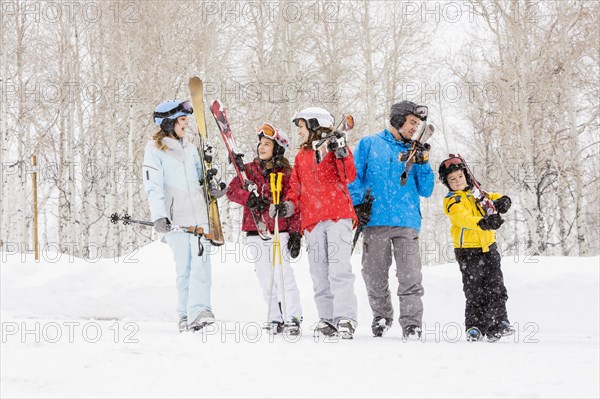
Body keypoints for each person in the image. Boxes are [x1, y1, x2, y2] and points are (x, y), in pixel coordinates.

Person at [348, 101, 434, 338]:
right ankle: (382, 316)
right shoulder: (369, 143)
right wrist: (357, 203)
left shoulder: (416, 151)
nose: (414, 128)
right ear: (398, 120)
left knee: (410, 276)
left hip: (406, 222)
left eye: (417, 125)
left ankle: (412, 324)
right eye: (412, 123)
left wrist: (424, 163)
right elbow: (353, 177)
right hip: (375, 221)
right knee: (374, 275)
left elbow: (426, 190)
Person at [275, 107, 359, 339]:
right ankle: (327, 319)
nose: (299, 132)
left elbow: (349, 176)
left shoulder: (334, 148)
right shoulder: (302, 156)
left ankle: (346, 317)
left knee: (339, 268)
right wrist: (290, 206)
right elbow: (295, 188)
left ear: (314, 125)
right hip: (312, 220)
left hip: (337, 215)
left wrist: (341, 152)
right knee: (319, 272)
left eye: (301, 127)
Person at [143, 99, 225, 332]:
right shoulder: (155, 150)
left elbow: (201, 178)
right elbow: (153, 186)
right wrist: (159, 216)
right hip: (175, 219)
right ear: (168, 123)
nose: (186, 124)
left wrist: (213, 188)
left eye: (186, 119)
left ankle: (200, 310)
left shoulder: (190, 148)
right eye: (182, 120)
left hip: (199, 215)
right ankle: (185, 314)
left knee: (202, 265)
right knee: (185, 268)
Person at [226, 123, 303, 335]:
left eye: (267, 144)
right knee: (264, 276)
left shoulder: (287, 173)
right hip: (255, 230)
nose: (261, 147)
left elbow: (296, 203)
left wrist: (297, 233)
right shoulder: (249, 170)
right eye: (260, 143)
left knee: (283, 273)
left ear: (277, 148)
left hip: (281, 231)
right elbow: (231, 190)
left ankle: (293, 315)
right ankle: (274, 316)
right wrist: (249, 199)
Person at [438, 154, 515, 342]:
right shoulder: (452, 201)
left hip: (488, 248)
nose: (457, 181)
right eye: (452, 179)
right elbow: (462, 218)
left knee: (496, 286)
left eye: (460, 177)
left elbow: (492, 198)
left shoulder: (476, 195)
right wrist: (483, 222)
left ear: (466, 176)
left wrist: (502, 201)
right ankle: (475, 326)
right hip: (468, 251)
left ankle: (498, 323)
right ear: (447, 183)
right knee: (475, 289)